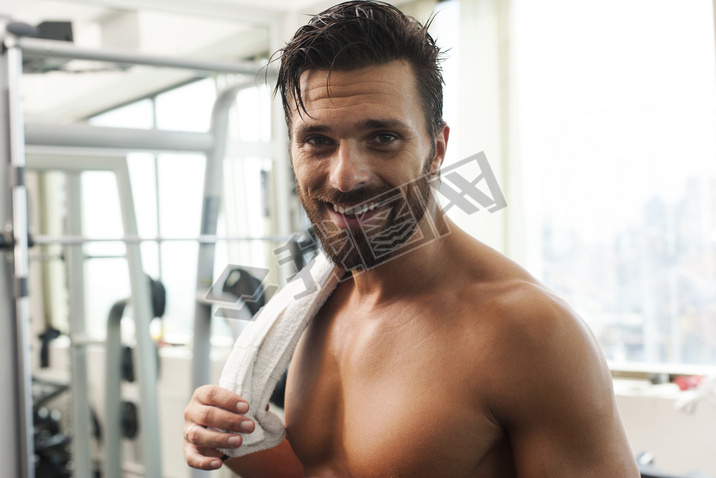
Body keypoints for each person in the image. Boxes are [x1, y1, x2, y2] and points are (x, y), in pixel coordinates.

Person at [183, 1, 640, 476]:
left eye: (382, 137)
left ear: (436, 149)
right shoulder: (314, 308)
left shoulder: (528, 332)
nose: (344, 177)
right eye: (318, 141)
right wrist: (235, 439)